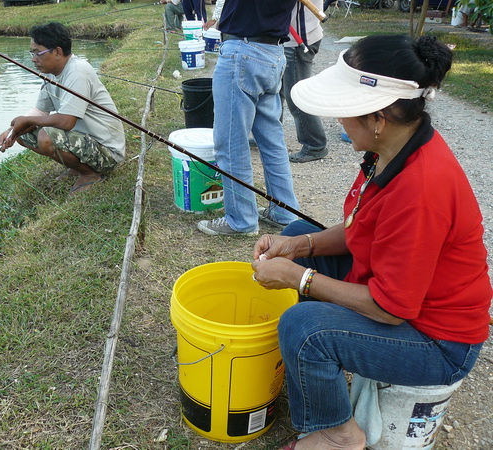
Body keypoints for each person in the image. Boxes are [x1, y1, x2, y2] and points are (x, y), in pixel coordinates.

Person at [251, 34, 491, 449]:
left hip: (435, 341)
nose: (337, 122)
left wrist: (297, 277)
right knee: (293, 235)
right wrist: (300, 249)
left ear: (377, 117)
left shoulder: (422, 189)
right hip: (405, 301)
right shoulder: (393, 150)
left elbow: (390, 308)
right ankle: (321, 371)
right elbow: (364, 227)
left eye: (344, 113)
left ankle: (338, 434)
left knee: (303, 328)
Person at [197, 0, 301, 236]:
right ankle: (284, 212)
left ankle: (241, 220)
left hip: (243, 51)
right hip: (273, 54)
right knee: (272, 142)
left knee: (230, 145)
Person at [0, 22, 125, 195]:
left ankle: (90, 174)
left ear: (57, 52)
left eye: (37, 53)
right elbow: (41, 111)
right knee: (22, 133)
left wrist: (26, 120)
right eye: (32, 53)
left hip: (107, 152)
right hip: (84, 142)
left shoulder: (77, 71)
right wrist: (12, 131)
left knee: (46, 136)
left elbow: (67, 121)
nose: (33, 59)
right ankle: (77, 166)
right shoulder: (50, 74)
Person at [283, 0, 328, 163]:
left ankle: (315, 145)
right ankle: (270, 136)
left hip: (299, 40)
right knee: (277, 90)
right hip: (290, 37)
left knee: (297, 94)